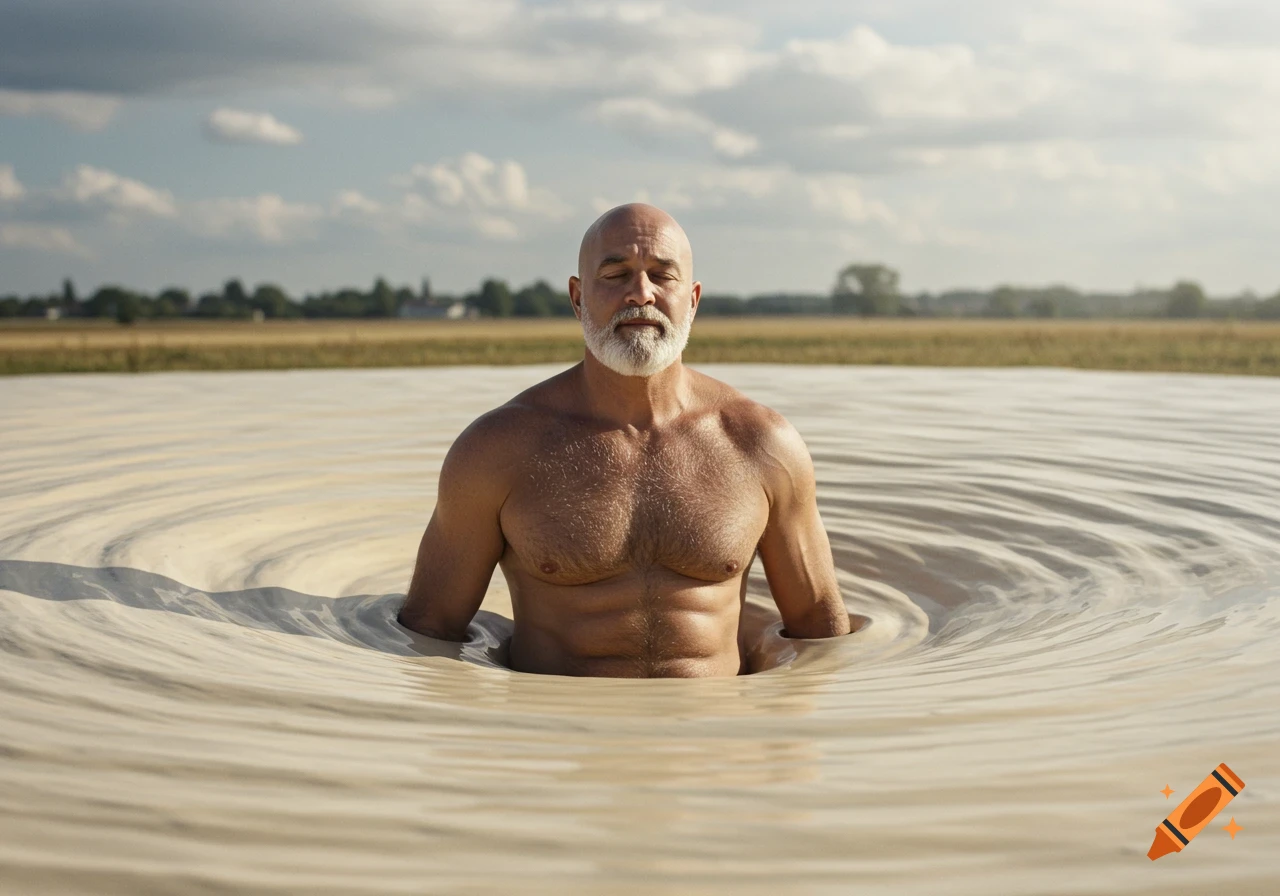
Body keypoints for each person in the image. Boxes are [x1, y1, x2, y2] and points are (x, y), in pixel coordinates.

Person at [397, 203, 850, 677]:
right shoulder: (498, 450)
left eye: (662, 276)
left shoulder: (762, 445)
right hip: (561, 735)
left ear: (692, 299)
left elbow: (820, 628)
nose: (641, 295)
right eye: (615, 274)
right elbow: (431, 632)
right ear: (577, 298)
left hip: (716, 737)